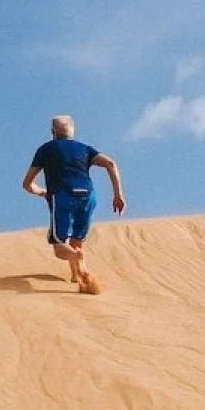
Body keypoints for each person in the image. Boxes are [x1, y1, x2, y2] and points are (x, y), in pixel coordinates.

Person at [21, 115, 126, 293]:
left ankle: (76, 257)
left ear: (53, 132)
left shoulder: (46, 149)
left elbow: (27, 183)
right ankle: (79, 276)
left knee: (60, 246)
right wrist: (118, 195)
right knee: (77, 241)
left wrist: (41, 192)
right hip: (88, 196)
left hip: (63, 195)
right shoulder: (84, 149)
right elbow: (110, 163)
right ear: (72, 131)